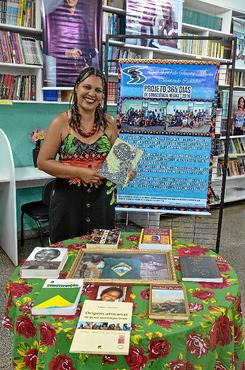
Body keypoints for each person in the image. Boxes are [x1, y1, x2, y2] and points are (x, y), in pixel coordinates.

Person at [38, 67, 135, 243]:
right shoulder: (60, 122)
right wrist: (80, 172)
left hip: (102, 204)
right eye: (87, 87)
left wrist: (127, 171)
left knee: (100, 255)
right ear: (76, 88)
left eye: (98, 90)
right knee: (68, 255)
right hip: (68, 205)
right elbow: (43, 162)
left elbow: (123, 163)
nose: (92, 93)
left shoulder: (109, 123)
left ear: (103, 96)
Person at [43, 0, 99, 86]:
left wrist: (87, 63)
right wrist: (67, 52)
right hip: (60, 73)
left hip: (79, 74)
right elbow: (48, 47)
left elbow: (87, 47)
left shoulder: (81, 21)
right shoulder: (53, 17)